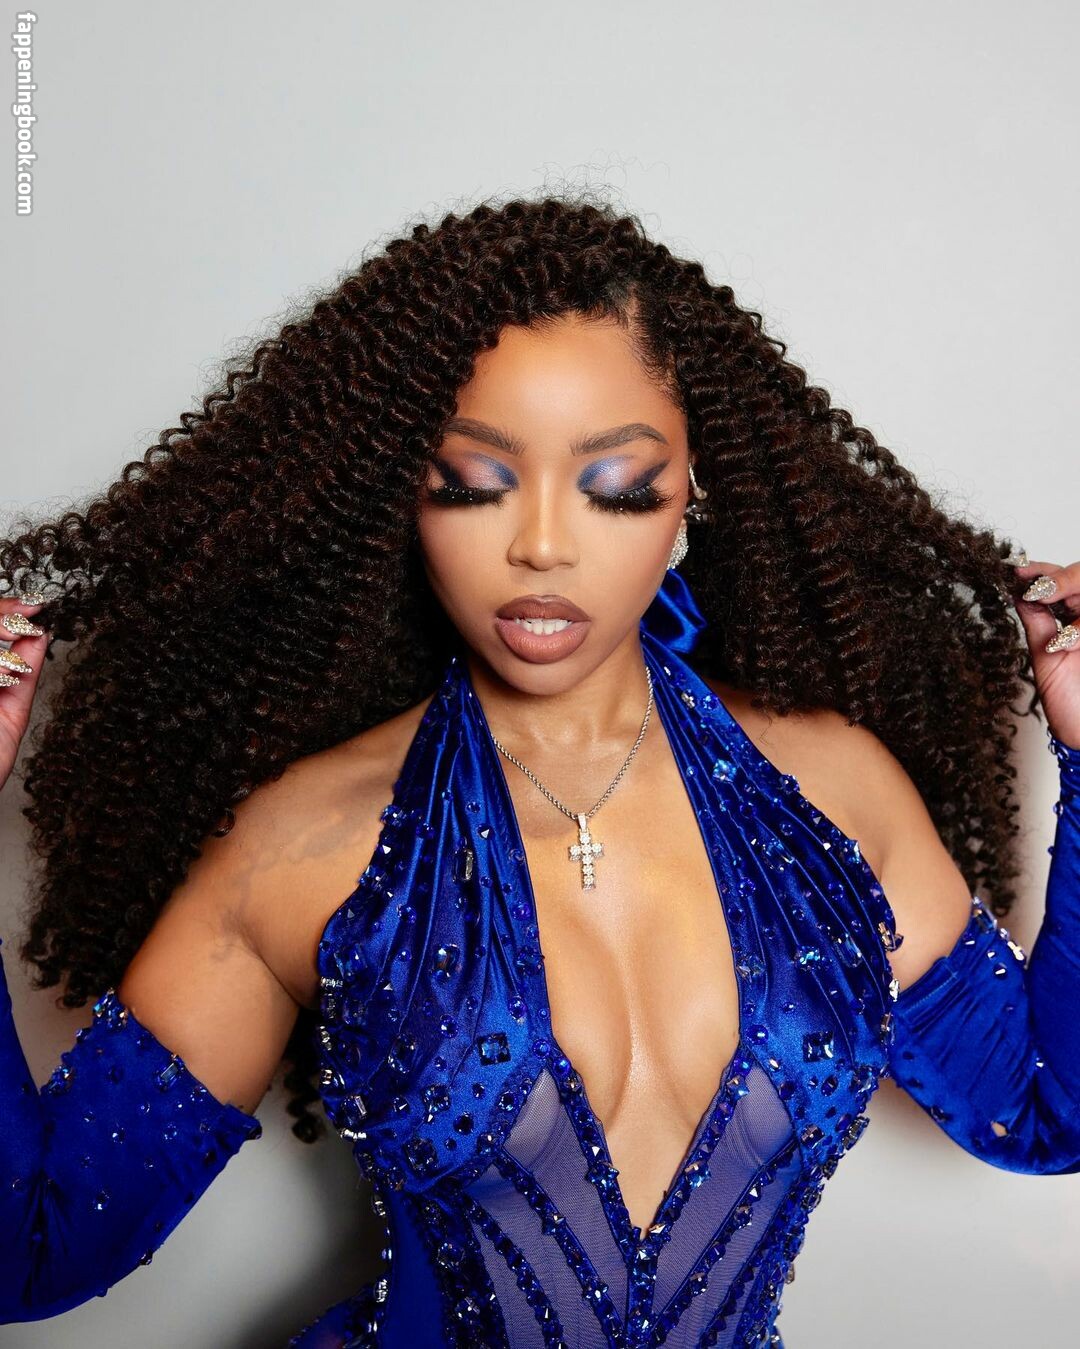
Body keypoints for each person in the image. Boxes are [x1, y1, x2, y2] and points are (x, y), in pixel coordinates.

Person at [1, 194, 1078, 1348]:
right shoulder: (301, 843)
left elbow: (1044, 1106)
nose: (543, 545)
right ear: (401, 493)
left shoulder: (837, 796)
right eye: (474, 481)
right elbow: (30, 1247)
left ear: (695, 488)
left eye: (617, 485)